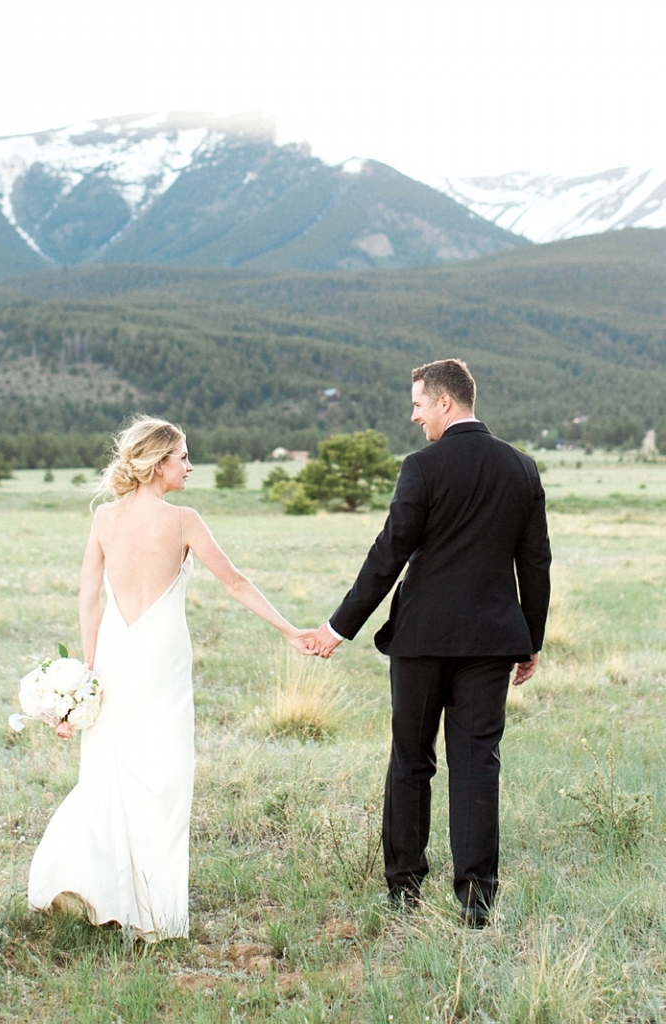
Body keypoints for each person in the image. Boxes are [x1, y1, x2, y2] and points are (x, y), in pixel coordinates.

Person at [28, 417, 314, 941]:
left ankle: (107, 894)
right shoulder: (184, 520)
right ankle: (155, 914)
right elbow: (236, 582)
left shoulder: (105, 519)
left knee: (108, 773)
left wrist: (88, 673)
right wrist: (290, 631)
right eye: (183, 456)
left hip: (114, 655)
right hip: (161, 660)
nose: (190, 465)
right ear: (159, 463)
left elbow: (88, 597)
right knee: (164, 780)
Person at [308, 358, 551, 926]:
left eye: (418, 404)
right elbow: (536, 562)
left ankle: (404, 892)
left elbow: (389, 551)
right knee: (477, 765)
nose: (414, 416)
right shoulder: (521, 467)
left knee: (411, 761)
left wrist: (338, 627)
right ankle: (476, 904)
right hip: (491, 643)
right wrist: (530, 640)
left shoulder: (422, 467)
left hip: (421, 640)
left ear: (445, 402)